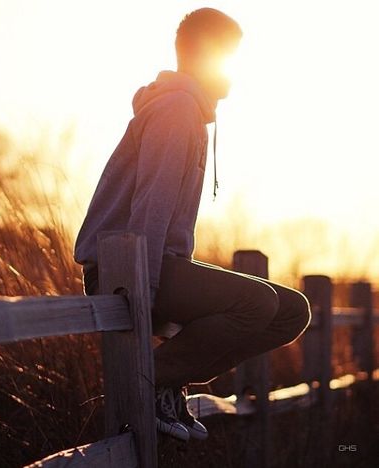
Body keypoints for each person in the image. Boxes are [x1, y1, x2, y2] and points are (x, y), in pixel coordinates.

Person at [73, 8, 311, 442]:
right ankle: (149, 384)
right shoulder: (176, 110)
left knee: (293, 310)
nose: (234, 73)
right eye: (228, 57)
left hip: (153, 263)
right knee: (257, 302)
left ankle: (168, 384)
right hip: (125, 269)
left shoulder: (188, 112)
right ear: (204, 55)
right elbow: (152, 204)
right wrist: (141, 290)